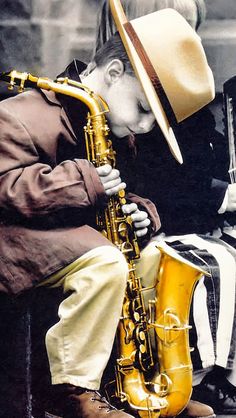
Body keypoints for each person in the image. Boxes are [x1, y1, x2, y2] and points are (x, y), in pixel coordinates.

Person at [0, 1, 215, 417]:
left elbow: (113, 196)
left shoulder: (112, 126)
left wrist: (140, 214)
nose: (145, 127)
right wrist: (85, 182)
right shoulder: (20, 114)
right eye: (144, 109)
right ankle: (72, 391)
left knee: (151, 258)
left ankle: (135, 383)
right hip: (15, 246)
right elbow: (6, 188)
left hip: (65, 244)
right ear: (114, 73)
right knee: (105, 262)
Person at [94, 0, 236, 415]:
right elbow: (156, 184)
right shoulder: (130, 107)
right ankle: (198, 375)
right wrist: (222, 197)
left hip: (172, 222)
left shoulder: (173, 107)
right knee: (217, 262)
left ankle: (213, 374)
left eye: (191, 36)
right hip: (161, 233)